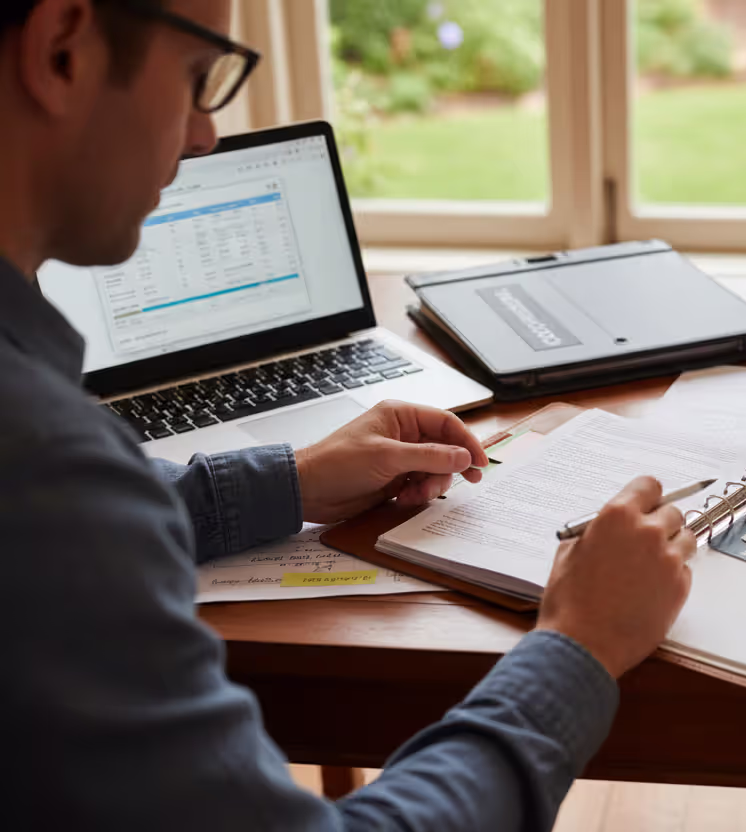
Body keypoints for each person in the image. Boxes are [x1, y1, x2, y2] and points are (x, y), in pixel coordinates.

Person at [0, 1, 696, 829]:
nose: (203, 136)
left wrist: (290, 479)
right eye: (197, 77)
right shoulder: (46, 467)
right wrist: (579, 645)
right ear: (62, 50)